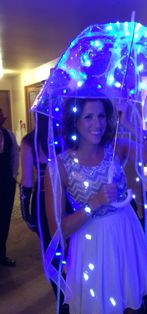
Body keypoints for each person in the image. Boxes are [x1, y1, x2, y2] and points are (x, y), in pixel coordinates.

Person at [44, 97, 147, 314]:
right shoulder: (58, 166)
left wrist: (132, 126)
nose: (97, 124)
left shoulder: (117, 149)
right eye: (88, 117)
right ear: (75, 121)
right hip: (91, 244)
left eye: (101, 116)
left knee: (130, 300)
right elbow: (57, 232)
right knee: (98, 305)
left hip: (126, 233)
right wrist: (93, 203)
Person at [20, 113, 69, 314]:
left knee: (52, 254)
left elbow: (26, 183)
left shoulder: (29, 142)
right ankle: (73, 300)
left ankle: (62, 301)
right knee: (69, 251)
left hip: (42, 201)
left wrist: (26, 215)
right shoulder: (64, 137)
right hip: (66, 196)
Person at [0, 107, 19, 267]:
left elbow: (15, 157)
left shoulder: (9, 136)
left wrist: (13, 177)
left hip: (7, 184)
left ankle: (2, 254)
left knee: (4, 219)